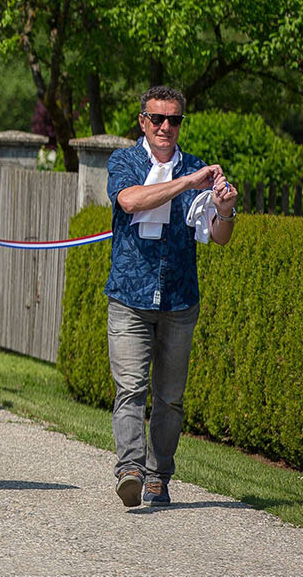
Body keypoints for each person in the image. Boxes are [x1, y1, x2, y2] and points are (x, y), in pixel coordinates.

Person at [104, 84, 236, 508]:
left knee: (170, 397)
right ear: (143, 121)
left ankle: (159, 476)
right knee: (130, 389)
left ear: (181, 123)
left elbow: (218, 237)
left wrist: (226, 208)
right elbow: (129, 201)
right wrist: (186, 183)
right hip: (129, 295)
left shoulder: (198, 168)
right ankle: (130, 469)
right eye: (157, 119)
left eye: (173, 120)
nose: (165, 127)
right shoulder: (125, 160)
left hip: (179, 300)